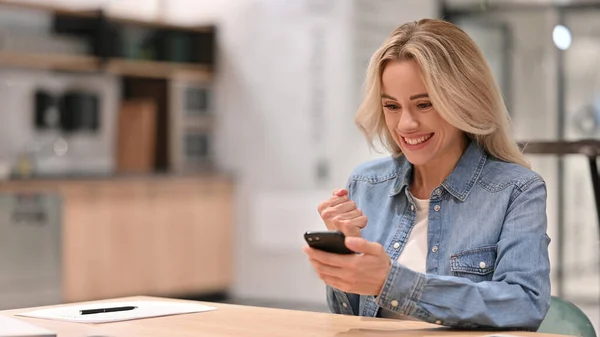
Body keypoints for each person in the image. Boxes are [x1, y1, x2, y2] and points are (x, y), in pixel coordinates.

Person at [303, 18, 551, 330]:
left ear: (464, 101)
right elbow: (349, 317)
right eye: (392, 106)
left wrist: (389, 282)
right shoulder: (366, 184)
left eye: (424, 104)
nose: (406, 125)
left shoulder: (516, 190)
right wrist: (347, 255)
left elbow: (525, 304)